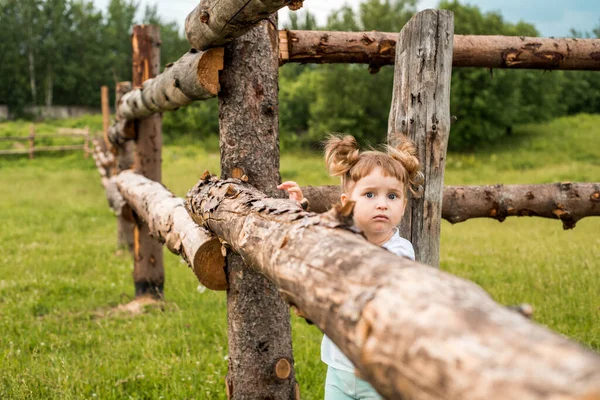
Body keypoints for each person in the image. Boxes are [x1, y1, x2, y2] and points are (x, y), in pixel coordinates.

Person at [277, 134, 423, 400]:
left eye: (392, 196)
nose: (382, 203)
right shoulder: (343, 237)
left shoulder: (400, 251)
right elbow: (315, 236)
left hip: (379, 373)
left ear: (402, 206)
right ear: (346, 203)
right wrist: (298, 207)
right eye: (369, 194)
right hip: (338, 366)